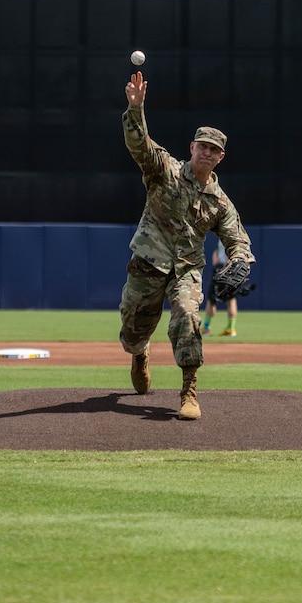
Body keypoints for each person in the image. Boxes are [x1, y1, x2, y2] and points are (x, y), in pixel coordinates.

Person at [118, 70, 254, 421]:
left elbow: (237, 239)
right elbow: (140, 145)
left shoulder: (220, 202)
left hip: (186, 269)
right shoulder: (164, 170)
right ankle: (140, 353)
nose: (207, 153)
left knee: (188, 315)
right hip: (149, 263)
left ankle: (189, 391)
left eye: (215, 150)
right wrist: (136, 109)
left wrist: (239, 262)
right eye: (203, 147)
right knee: (132, 333)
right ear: (192, 148)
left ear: (221, 157)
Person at [201, 241, 238, 337]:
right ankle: (231, 328)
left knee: (212, 299)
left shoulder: (226, 233)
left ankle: (206, 328)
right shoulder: (239, 235)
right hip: (234, 270)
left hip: (222, 268)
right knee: (231, 299)